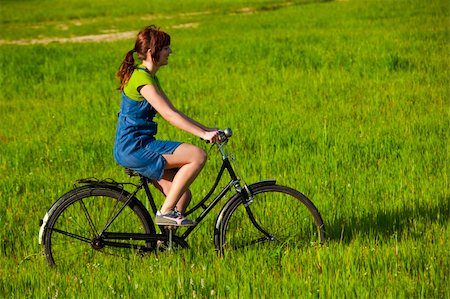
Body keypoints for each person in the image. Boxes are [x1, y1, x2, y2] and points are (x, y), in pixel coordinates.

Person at [114, 25, 220, 227]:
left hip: (141, 145)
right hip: (134, 148)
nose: (170, 51)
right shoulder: (141, 78)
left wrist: (207, 130)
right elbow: (168, 115)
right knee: (198, 156)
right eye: (166, 48)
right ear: (152, 52)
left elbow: (175, 111)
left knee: (182, 196)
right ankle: (165, 212)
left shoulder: (150, 77)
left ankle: (165, 246)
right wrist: (203, 135)